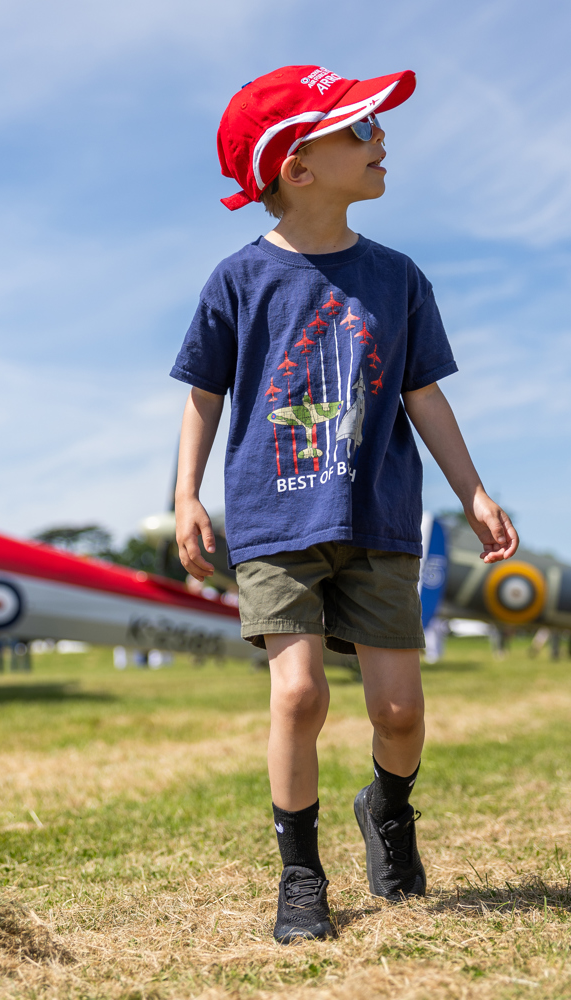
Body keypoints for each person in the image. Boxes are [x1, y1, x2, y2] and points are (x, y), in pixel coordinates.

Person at [170, 65, 518, 943]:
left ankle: (388, 807)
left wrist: (472, 490)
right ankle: (300, 875)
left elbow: (424, 395)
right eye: (360, 131)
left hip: (381, 520)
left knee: (398, 713)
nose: (380, 141)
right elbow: (203, 395)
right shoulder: (238, 281)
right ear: (298, 166)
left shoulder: (398, 277)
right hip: (274, 520)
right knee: (298, 698)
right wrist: (185, 495)